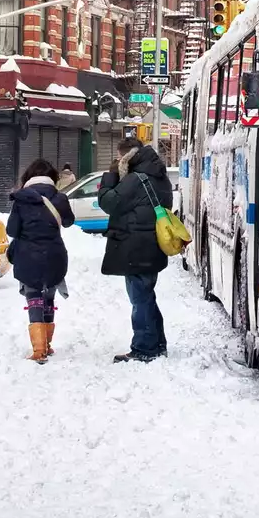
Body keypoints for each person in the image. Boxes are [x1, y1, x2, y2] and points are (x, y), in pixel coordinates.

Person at [99, 135, 172, 363]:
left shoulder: (136, 179)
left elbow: (109, 203)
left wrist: (110, 176)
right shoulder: (159, 176)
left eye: (119, 157)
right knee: (147, 296)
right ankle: (157, 343)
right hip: (152, 244)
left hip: (136, 247)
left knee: (140, 299)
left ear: (127, 156)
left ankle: (144, 348)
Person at [6, 159, 74, 363]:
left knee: (34, 297)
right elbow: (69, 222)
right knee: (49, 297)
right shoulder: (59, 198)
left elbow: (12, 230)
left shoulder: (21, 200)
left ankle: (38, 349)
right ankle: (48, 345)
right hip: (54, 254)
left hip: (28, 255)